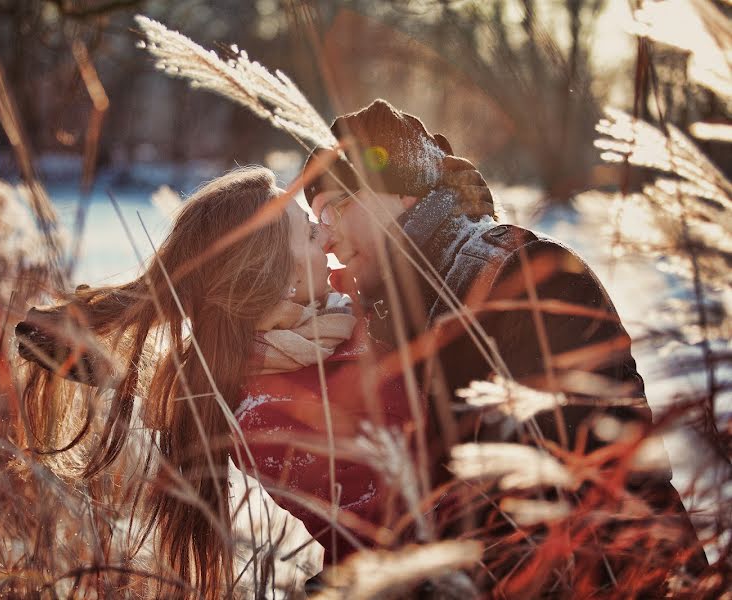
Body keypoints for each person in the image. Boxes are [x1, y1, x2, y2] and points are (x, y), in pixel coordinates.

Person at [15, 163, 486, 598]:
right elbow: (389, 528)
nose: (326, 236)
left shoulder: (341, 319)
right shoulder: (266, 415)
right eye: (307, 233)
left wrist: (430, 201)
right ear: (276, 277)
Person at [301, 99, 708, 591]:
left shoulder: (527, 281)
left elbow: (562, 509)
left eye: (335, 210)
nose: (325, 239)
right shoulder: (391, 322)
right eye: (316, 221)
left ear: (403, 196)